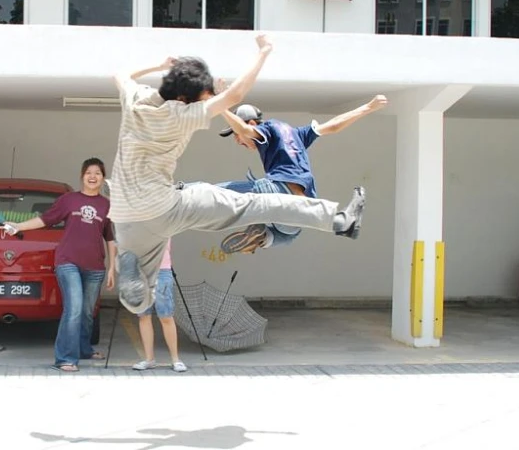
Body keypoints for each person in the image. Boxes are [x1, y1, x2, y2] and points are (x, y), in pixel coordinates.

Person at [108, 33, 366, 314]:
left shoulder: (135, 99)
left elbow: (120, 73)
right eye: (199, 100)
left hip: (123, 213)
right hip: (163, 207)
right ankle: (340, 221)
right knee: (255, 204)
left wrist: (158, 66)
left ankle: (130, 266)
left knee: (141, 295)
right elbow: (236, 95)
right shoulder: (182, 115)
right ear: (184, 99)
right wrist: (263, 52)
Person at [215, 94, 388, 254]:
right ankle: (263, 236)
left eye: (235, 135)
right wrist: (368, 107)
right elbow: (334, 126)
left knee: (214, 192)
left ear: (252, 124)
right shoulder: (296, 133)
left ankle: (187, 192)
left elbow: (244, 130)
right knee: (287, 235)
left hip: (277, 191)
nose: (237, 140)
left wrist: (221, 105)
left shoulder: (265, 130)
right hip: (299, 210)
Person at [2, 158, 117, 372]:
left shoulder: (106, 205)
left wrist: (112, 267)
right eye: (88, 172)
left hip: (95, 267)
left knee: (86, 311)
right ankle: (65, 358)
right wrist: (18, 227)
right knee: (73, 309)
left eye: (98, 173)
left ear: (103, 178)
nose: (93, 177)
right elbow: (45, 219)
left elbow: (110, 238)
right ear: (82, 176)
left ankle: (84, 349)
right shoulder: (69, 200)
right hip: (68, 262)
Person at [132, 239, 187, 373]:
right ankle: (149, 359)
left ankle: (175, 359)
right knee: (144, 316)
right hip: (141, 271)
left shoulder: (163, 220)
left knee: (166, 316)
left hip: (162, 270)